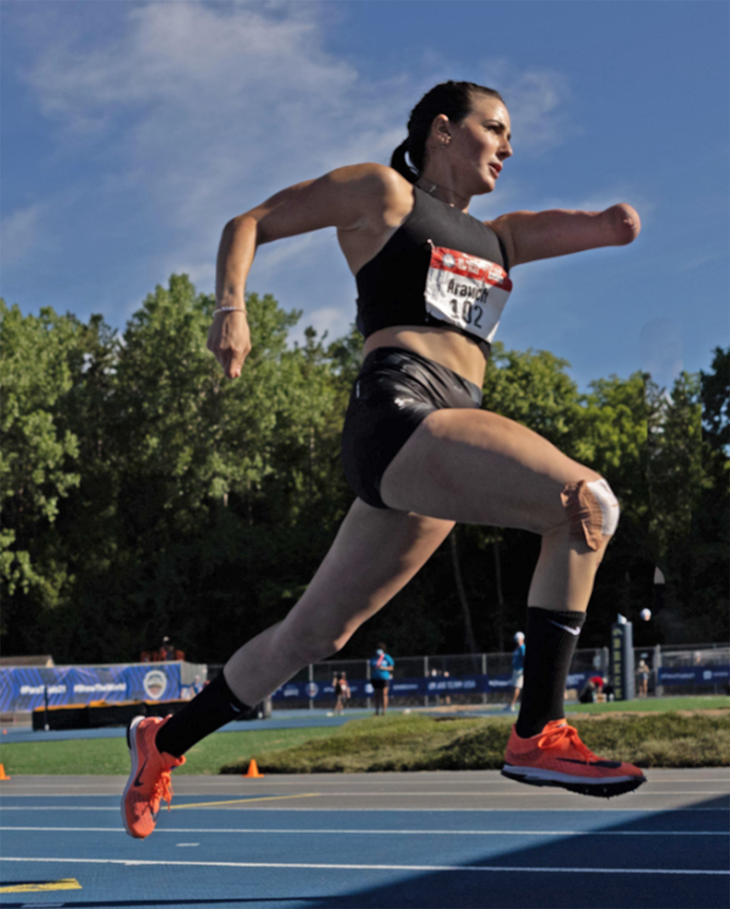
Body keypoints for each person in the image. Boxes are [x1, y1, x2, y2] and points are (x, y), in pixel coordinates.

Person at [122, 79, 647, 839]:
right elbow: (249, 222)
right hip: (398, 410)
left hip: (445, 433)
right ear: (443, 130)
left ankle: (163, 740)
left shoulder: (501, 238)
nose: (508, 147)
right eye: (495, 128)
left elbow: (607, 227)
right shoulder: (383, 194)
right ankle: (539, 731)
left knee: (313, 635)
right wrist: (230, 308)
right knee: (584, 503)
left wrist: (616, 224)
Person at [370, 645, 395, 715]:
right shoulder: (373, 658)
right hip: (375, 678)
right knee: (377, 695)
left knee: (384, 695)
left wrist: (384, 668)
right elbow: (371, 667)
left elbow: (392, 667)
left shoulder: (386, 657)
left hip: (384, 679)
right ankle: (377, 711)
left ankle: (384, 712)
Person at [504, 631, 525, 712]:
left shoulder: (522, 648)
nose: (517, 640)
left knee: (517, 687)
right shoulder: (517, 648)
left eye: (518, 639)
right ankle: (511, 704)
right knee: (514, 687)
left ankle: (512, 705)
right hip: (516, 670)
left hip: (520, 671)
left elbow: (524, 658)